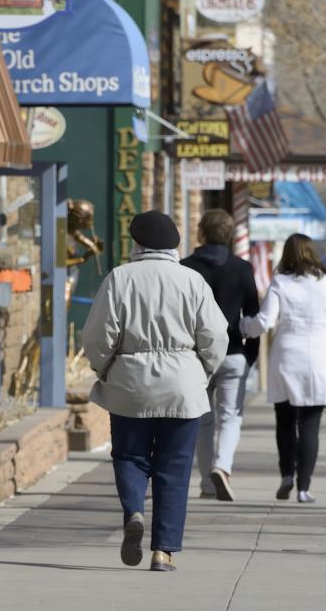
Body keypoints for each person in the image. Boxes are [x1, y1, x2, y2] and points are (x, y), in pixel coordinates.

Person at [82, 211, 228, 572]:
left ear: (138, 243)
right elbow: (215, 336)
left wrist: (103, 368)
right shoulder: (192, 281)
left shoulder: (119, 278)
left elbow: (98, 336)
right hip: (182, 385)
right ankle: (163, 551)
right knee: (174, 468)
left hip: (130, 383)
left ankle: (134, 510)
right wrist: (202, 371)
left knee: (130, 457)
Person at [240, 233, 326, 504]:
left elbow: (265, 321)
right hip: (319, 358)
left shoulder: (280, 282)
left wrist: (245, 326)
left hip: (286, 357)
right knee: (310, 426)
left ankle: (286, 475)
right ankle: (304, 487)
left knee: (285, 420)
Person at [182, 209, 261, 502]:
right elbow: (253, 314)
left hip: (196, 356)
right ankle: (222, 467)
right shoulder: (242, 268)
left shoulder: (185, 267)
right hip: (233, 352)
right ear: (229, 235)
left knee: (203, 421)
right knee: (230, 418)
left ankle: (206, 483)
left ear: (201, 232)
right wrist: (250, 355)